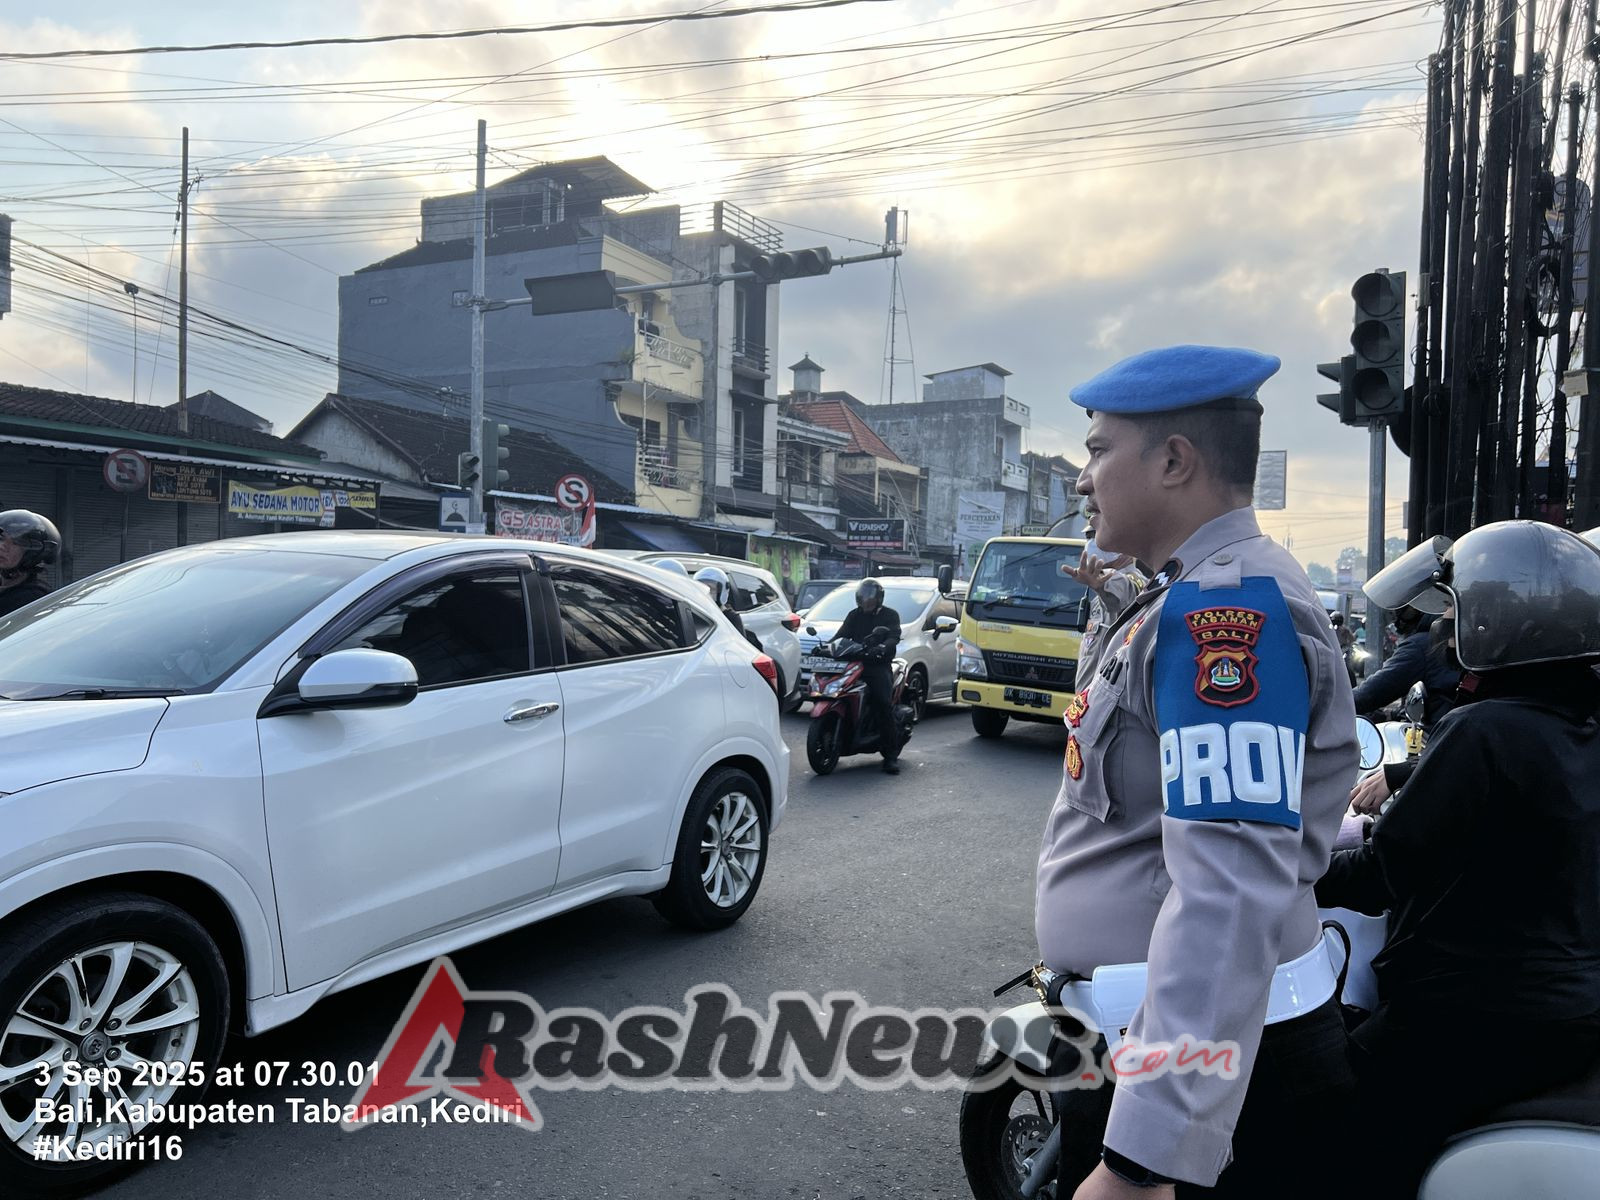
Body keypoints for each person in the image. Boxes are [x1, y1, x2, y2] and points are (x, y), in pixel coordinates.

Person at [1034, 345, 1357, 1198]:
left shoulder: (1228, 612)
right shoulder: (1186, 592)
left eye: (1100, 449)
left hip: (1205, 1063)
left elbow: (1229, 886)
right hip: (1163, 1039)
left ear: (1174, 461)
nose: (1082, 477)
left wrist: (1145, 1159)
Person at [1316, 521, 1600, 1200]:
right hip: (1571, 1011)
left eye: (1457, 615)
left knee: (1326, 1116)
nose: (1445, 635)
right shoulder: (1579, 727)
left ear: (1500, 623)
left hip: (1473, 1008)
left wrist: (1285, 871)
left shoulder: (1484, 731)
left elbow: (1382, 876)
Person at [831, 578, 903, 774]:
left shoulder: (890, 615)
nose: (866, 601)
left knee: (882, 703)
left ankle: (890, 755)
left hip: (877, 666)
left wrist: (882, 647)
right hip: (854, 663)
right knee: (835, 692)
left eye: (870, 597)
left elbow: (893, 637)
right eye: (863, 597)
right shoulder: (854, 615)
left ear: (879, 598)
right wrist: (825, 647)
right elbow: (840, 635)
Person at [0, 509, 61, 618]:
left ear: (32, 553)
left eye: (16, 542)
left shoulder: (30, 598)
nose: (2, 546)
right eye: (1, 539)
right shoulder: (7, 589)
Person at [693, 566, 761, 650]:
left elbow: (739, 648)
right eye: (701, 588)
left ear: (723, 591)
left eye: (711, 589)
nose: (706, 593)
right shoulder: (695, 612)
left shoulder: (731, 617)